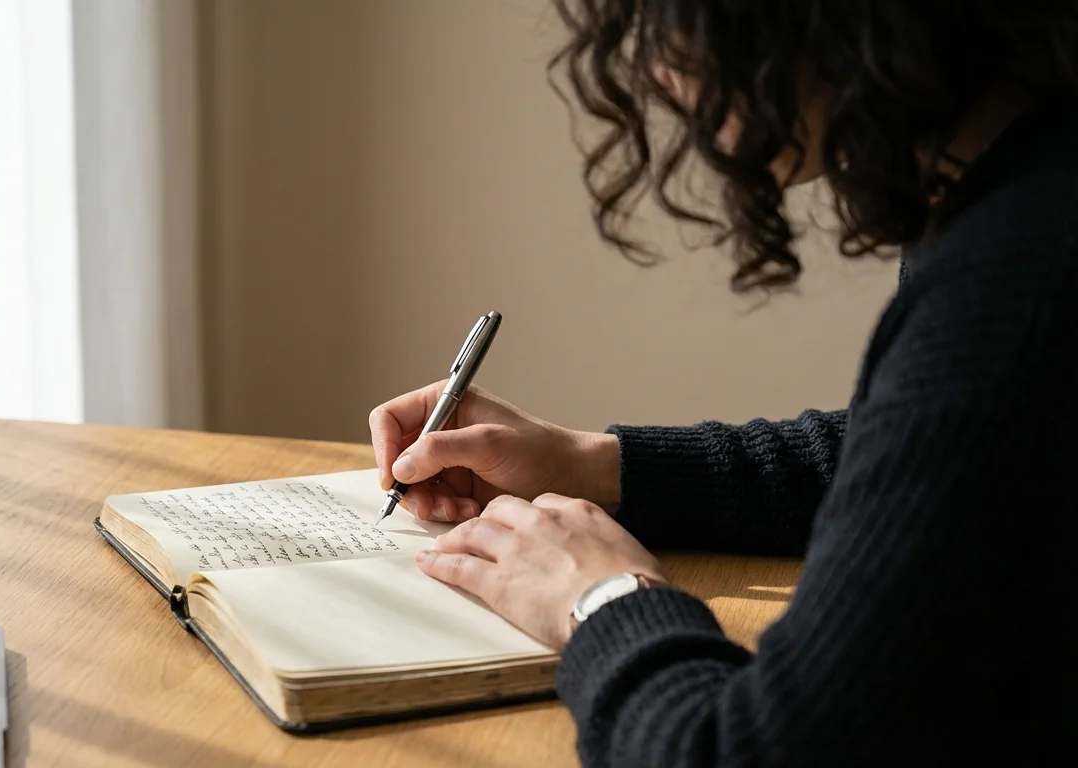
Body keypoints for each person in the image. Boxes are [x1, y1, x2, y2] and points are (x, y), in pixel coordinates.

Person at [368, 2, 1078, 766]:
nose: (652, 64)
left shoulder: (1022, 277)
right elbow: (934, 464)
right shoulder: (1030, 173)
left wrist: (603, 600)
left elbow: (746, 751)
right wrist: (596, 465)